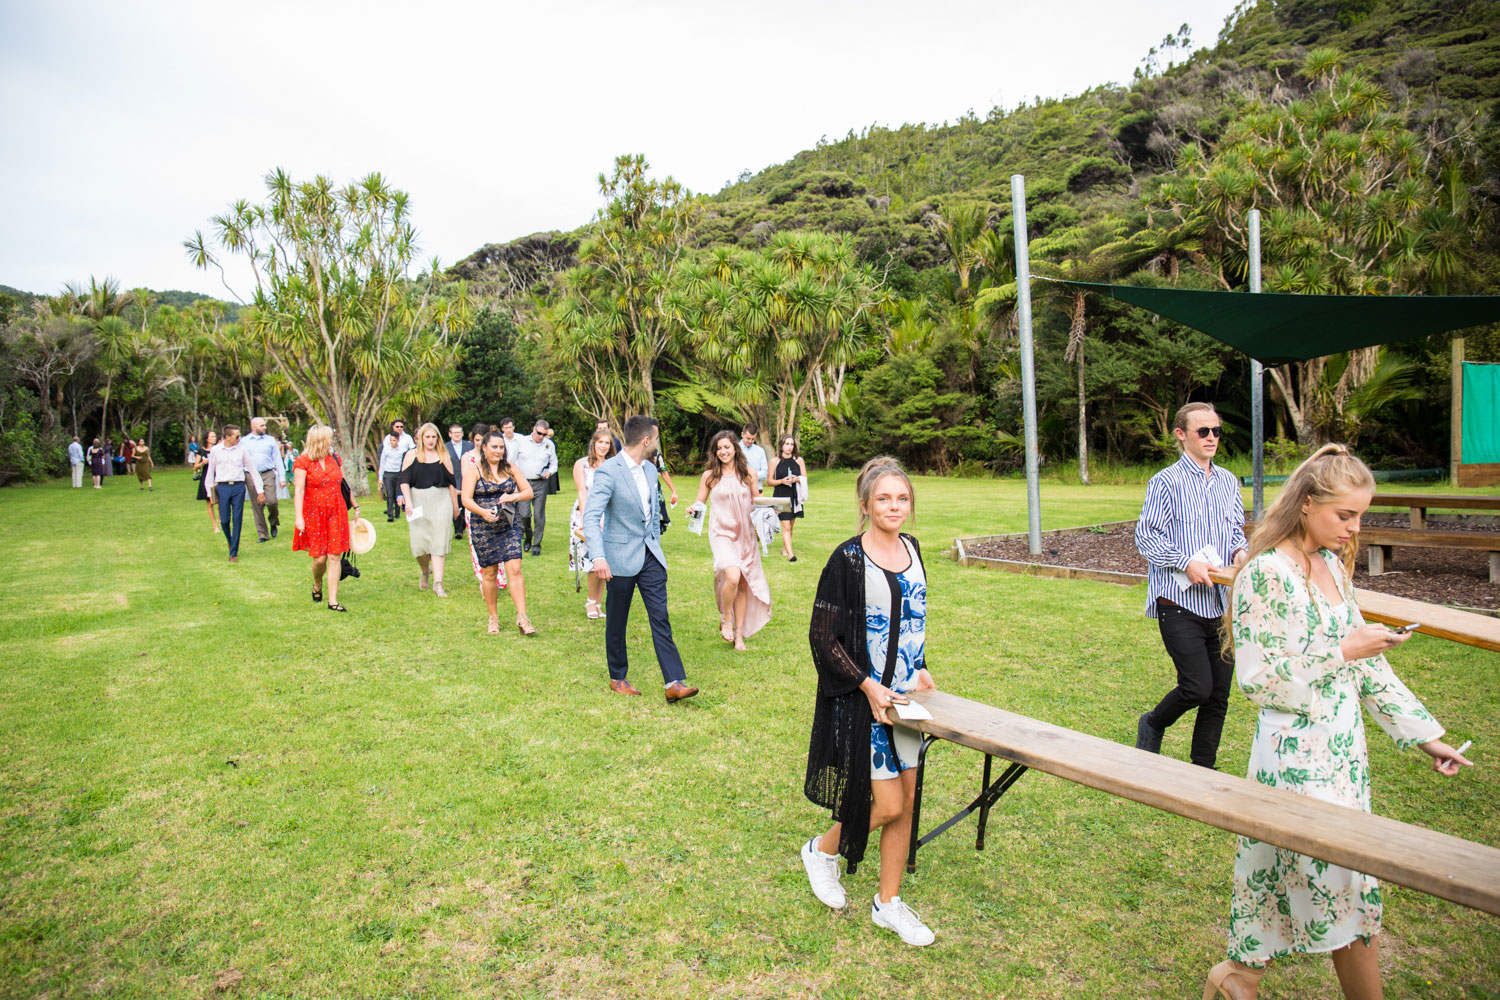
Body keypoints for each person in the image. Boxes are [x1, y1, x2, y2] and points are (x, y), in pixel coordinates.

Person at [1203, 444, 1471, 1000]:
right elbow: (1258, 680)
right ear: (1305, 504)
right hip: (1294, 757)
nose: (1354, 528)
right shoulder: (1265, 573)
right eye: (1344, 515)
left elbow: (1369, 669)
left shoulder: (1329, 565)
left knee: (1277, 874)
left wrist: (1429, 739)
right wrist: (1342, 650)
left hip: (1345, 753)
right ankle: (1242, 978)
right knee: (1344, 882)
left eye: (1361, 516)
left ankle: (1236, 977)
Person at [800, 457, 937, 947]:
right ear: (865, 505)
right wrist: (866, 685)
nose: (894, 506)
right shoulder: (847, 560)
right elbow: (824, 637)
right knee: (888, 802)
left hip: (906, 701)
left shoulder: (914, 550)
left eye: (902, 498)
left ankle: (888, 904)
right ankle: (821, 850)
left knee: (907, 803)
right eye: (883, 498)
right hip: (864, 700)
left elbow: (913, 616)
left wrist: (919, 665)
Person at [1134, 401, 1248, 770]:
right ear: (1182, 435)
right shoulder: (1165, 482)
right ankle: (1153, 723)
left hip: (1221, 602)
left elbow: (1234, 531)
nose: (1212, 437)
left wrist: (1240, 550)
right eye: (1203, 431)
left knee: (1218, 695)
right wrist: (1186, 561)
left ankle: (1204, 769)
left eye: (1216, 431)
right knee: (1197, 687)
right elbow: (1146, 537)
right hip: (1179, 601)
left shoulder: (1230, 481)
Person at [581, 415, 697, 703]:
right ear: (646, 440)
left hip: (650, 557)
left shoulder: (649, 469)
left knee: (661, 616)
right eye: (655, 439)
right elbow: (592, 516)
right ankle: (617, 677)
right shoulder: (609, 471)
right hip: (618, 557)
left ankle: (673, 682)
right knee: (617, 620)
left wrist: (655, 543)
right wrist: (598, 557)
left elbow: (652, 514)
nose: (656, 443)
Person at [692, 430, 771, 651]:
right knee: (733, 576)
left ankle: (738, 636)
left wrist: (772, 507)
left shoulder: (749, 473)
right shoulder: (709, 476)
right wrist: (694, 508)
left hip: (745, 534)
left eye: (727, 447)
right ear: (714, 452)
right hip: (721, 533)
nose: (723, 451)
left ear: (735, 448)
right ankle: (727, 617)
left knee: (744, 584)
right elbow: (700, 502)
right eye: (719, 448)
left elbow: (757, 501)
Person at [461, 430, 534, 635]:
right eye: (494, 447)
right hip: (483, 528)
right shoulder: (473, 470)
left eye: (501, 447)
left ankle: (523, 618)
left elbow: (528, 492)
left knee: (515, 569)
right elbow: (466, 500)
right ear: (484, 448)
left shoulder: (510, 468)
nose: (498, 451)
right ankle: (493, 618)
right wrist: (483, 512)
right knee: (490, 573)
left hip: (508, 526)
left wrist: (513, 497)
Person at [292, 424, 360, 613]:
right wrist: (299, 517)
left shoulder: (335, 459)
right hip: (314, 513)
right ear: (320, 440)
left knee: (334, 555)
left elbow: (344, 484)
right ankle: (316, 582)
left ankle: (333, 600)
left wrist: (355, 506)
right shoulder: (302, 461)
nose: (331, 441)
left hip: (336, 512)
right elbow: (298, 490)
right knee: (320, 559)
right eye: (329, 438)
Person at [400, 422, 459, 597]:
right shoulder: (412, 455)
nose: (431, 440)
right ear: (421, 438)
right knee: (419, 545)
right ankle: (425, 570)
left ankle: (438, 583)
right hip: (418, 501)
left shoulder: (443, 455)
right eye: (427, 437)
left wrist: (455, 506)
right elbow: (403, 481)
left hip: (441, 501)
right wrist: (408, 502)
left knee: (439, 543)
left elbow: (451, 483)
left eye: (434, 437)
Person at [571, 428, 616, 618]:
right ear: (593, 443)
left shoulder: (613, 465)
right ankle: (590, 602)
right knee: (591, 560)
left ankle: (598, 602)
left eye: (607, 443)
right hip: (586, 514)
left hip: (609, 516)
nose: (603, 446)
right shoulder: (582, 464)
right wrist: (586, 519)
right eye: (600, 442)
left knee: (605, 561)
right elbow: (582, 492)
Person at [204, 424, 265, 563]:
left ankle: (234, 552)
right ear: (227, 437)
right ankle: (230, 541)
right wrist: (209, 492)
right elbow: (210, 472)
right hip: (223, 486)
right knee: (224, 520)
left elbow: (252, 470)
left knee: (237, 519)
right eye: (236, 436)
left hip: (238, 486)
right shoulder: (216, 450)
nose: (239, 438)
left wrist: (259, 490)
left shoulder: (241, 450)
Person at [513, 418, 558, 556]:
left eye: (544, 434)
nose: (541, 437)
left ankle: (536, 545)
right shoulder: (522, 442)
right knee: (524, 514)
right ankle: (528, 535)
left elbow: (554, 464)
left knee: (539, 515)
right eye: (539, 433)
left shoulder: (548, 445)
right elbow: (513, 462)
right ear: (534, 429)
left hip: (540, 483)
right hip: (524, 483)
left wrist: (549, 472)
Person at [242, 417, 285, 542]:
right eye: (262, 425)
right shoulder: (244, 441)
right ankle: (263, 534)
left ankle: (273, 521)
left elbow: (278, 459)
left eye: (265, 425)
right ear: (253, 427)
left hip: (267, 473)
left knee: (271, 501)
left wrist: (282, 478)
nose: (265, 427)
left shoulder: (270, 440)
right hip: (251, 475)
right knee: (257, 505)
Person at [769, 434, 808, 561]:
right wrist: (782, 481)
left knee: (791, 525)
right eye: (787, 444)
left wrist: (797, 479)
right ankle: (791, 555)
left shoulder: (799, 460)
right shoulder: (774, 461)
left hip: (795, 497)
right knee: (785, 526)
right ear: (781, 446)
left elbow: (804, 478)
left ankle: (785, 549)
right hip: (780, 496)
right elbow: (769, 481)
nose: (789, 447)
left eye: (791, 444)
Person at [377, 423, 411, 522]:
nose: (392, 442)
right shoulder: (386, 450)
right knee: (390, 494)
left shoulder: (402, 450)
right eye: (391, 440)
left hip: (399, 474)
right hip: (388, 474)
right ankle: (390, 514)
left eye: (394, 440)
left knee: (398, 494)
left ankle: (397, 513)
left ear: (398, 440)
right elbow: (382, 463)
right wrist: (380, 477)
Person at [445, 423, 473, 540]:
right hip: (453, 480)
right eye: (454, 432)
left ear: (462, 433)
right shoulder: (445, 447)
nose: (457, 435)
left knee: (467, 505)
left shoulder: (469, 445)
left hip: (467, 480)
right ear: (450, 434)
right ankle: (458, 530)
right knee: (455, 505)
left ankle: (468, 527)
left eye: (459, 432)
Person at [194, 431, 218, 530]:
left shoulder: (218, 449)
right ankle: (215, 526)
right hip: (206, 477)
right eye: (212, 436)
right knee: (210, 502)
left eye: (215, 436)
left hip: (218, 476)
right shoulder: (201, 451)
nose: (214, 438)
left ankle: (222, 520)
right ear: (207, 439)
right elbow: (195, 467)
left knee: (221, 501)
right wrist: (202, 463)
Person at [739, 422, 768, 486]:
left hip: (757, 489)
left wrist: (750, 476)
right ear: (742, 434)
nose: (750, 441)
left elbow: (765, 472)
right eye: (748, 438)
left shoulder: (760, 451)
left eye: (753, 439)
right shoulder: (734, 449)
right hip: (739, 489)